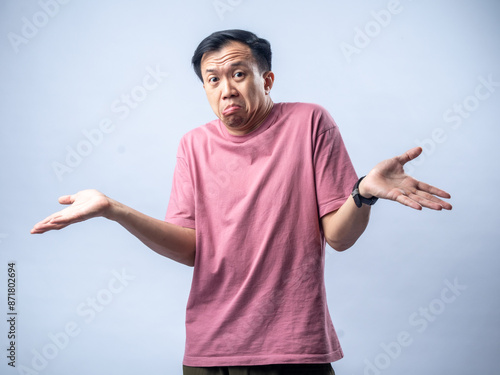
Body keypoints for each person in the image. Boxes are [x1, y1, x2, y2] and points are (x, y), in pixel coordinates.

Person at [31, 30, 452, 375]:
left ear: (266, 80)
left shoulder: (309, 122)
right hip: (211, 353)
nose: (226, 88)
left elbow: (338, 238)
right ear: (204, 89)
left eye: (238, 73)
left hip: (294, 350)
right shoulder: (193, 146)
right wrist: (112, 208)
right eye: (213, 80)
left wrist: (361, 193)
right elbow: (190, 248)